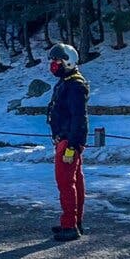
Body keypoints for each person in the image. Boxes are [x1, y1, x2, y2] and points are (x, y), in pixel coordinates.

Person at [45, 42, 89, 242]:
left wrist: (71, 144)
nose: (54, 64)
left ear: (68, 61)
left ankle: (69, 225)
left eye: (57, 60)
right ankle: (75, 221)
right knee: (74, 181)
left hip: (68, 140)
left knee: (66, 183)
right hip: (65, 139)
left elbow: (78, 117)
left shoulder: (74, 85)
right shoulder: (66, 82)